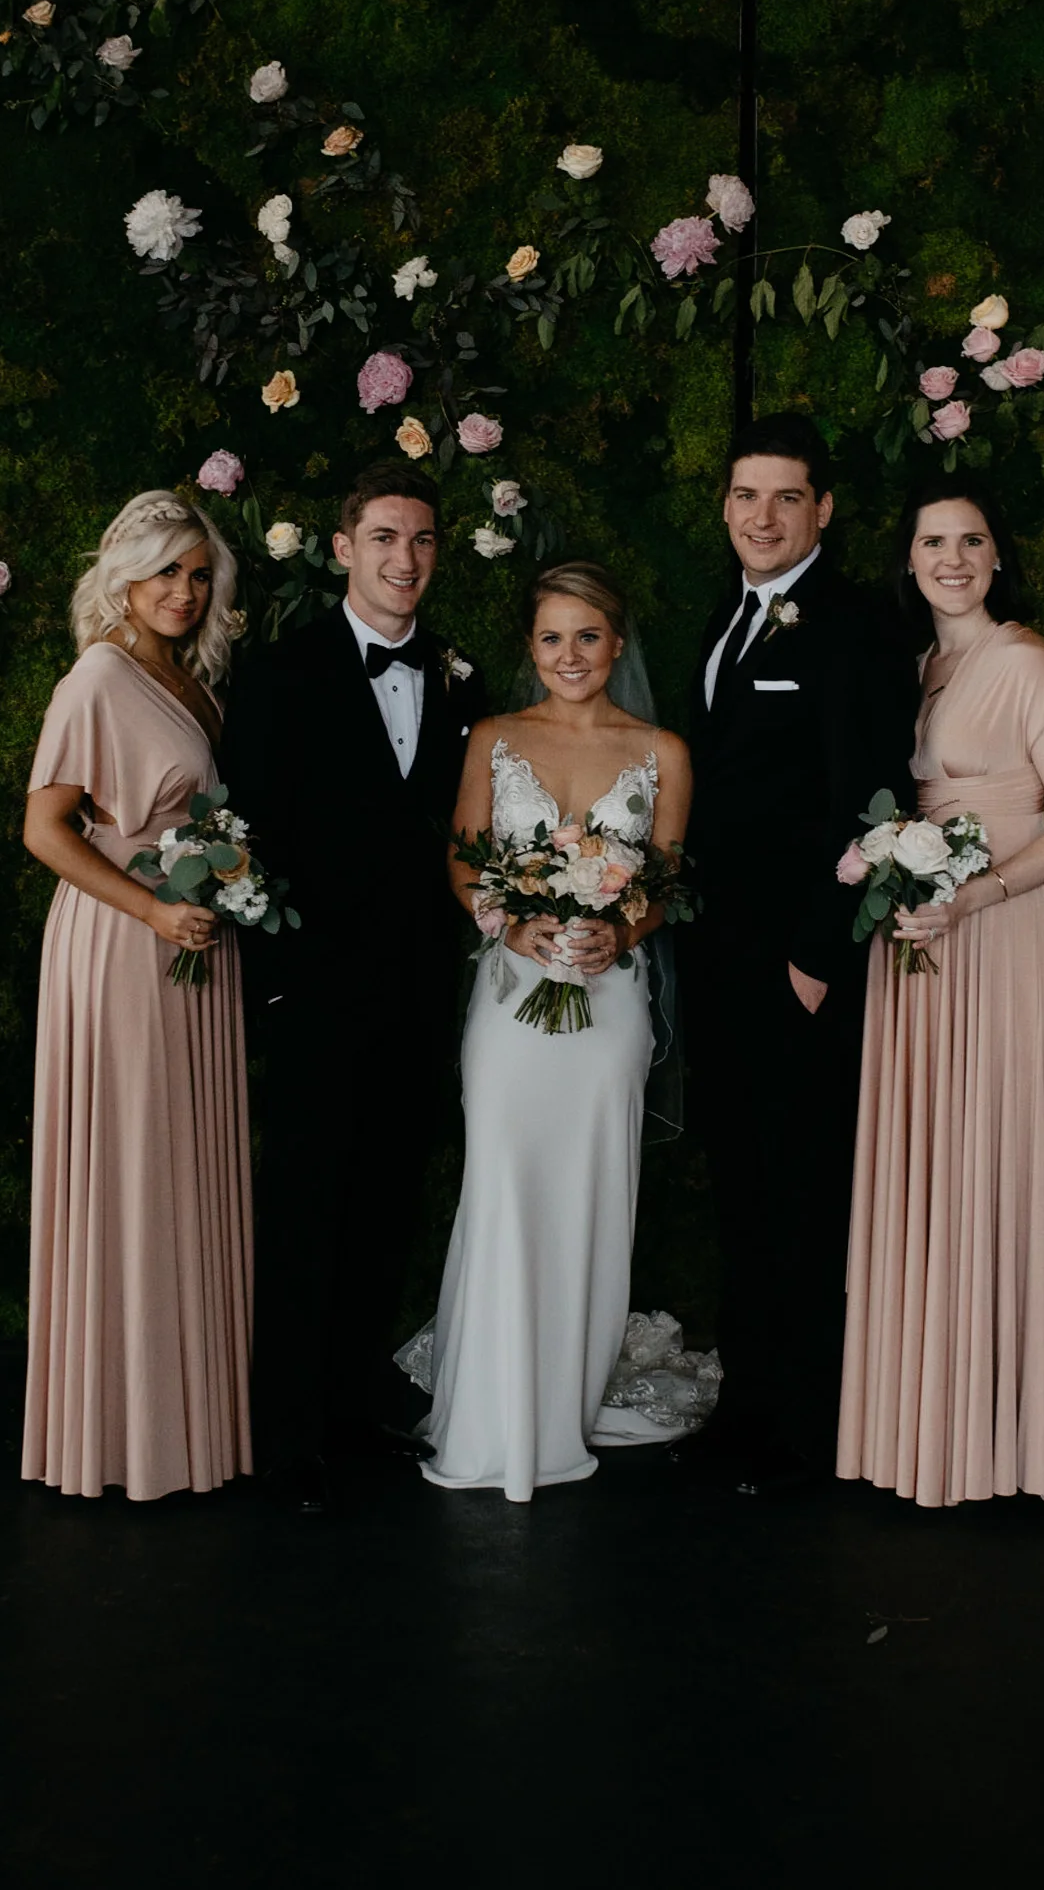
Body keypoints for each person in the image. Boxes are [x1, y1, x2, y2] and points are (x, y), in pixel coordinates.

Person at [217, 462, 487, 1516]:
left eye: (420, 540)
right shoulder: (282, 674)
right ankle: (284, 1436)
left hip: (420, 995)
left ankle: (351, 1401)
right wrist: (275, 990)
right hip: (316, 995)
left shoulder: (461, 682)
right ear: (342, 548)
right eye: (383, 537)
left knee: (384, 1206)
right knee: (301, 1216)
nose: (403, 559)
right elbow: (249, 837)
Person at [837, 482, 1044, 1508]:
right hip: (921, 951)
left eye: (970, 540)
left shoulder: (1024, 664)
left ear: (998, 555)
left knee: (998, 1169)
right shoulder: (914, 669)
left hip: (1002, 945)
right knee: (935, 1176)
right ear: (906, 559)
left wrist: (974, 896)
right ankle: (927, 1430)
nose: (951, 557)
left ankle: (1009, 1444)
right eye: (931, 541)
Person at [411, 562, 694, 1502]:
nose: (568, 656)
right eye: (549, 638)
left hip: (607, 1006)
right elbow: (461, 857)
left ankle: (563, 1400)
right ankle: (492, 1411)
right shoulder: (494, 738)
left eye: (586, 636)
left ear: (618, 643)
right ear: (529, 649)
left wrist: (618, 928)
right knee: (501, 1183)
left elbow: (661, 879)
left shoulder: (662, 749)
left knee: (589, 1190)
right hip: (510, 1001)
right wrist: (509, 920)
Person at [684, 414, 920, 1495]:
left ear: (822, 508)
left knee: (802, 1188)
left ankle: (803, 1424)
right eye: (745, 496)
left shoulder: (857, 625)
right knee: (740, 1182)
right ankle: (747, 1402)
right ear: (725, 505)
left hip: (797, 963)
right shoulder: (719, 621)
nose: (763, 516)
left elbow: (868, 802)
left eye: (786, 497)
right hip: (715, 957)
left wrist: (818, 956)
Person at [21, 489, 253, 1502]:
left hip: (191, 944)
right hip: (122, 948)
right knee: (128, 1168)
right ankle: (120, 1436)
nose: (184, 590)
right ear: (123, 577)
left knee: (180, 1165)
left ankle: (192, 1421)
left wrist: (213, 884)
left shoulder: (192, 680)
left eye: (199, 574)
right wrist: (153, 912)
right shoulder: (99, 676)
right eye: (166, 571)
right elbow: (44, 828)